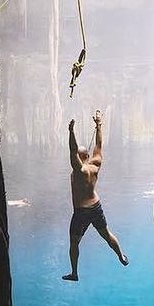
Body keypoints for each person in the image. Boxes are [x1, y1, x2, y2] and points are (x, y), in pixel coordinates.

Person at [63, 110, 128, 281]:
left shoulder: (80, 170)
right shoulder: (96, 164)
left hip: (81, 211)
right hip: (96, 206)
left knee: (74, 243)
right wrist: (99, 124)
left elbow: (72, 150)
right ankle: (121, 255)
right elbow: (99, 144)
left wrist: (71, 131)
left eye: (77, 156)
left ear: (80, 157)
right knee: (106, 234)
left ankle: (74, 273)